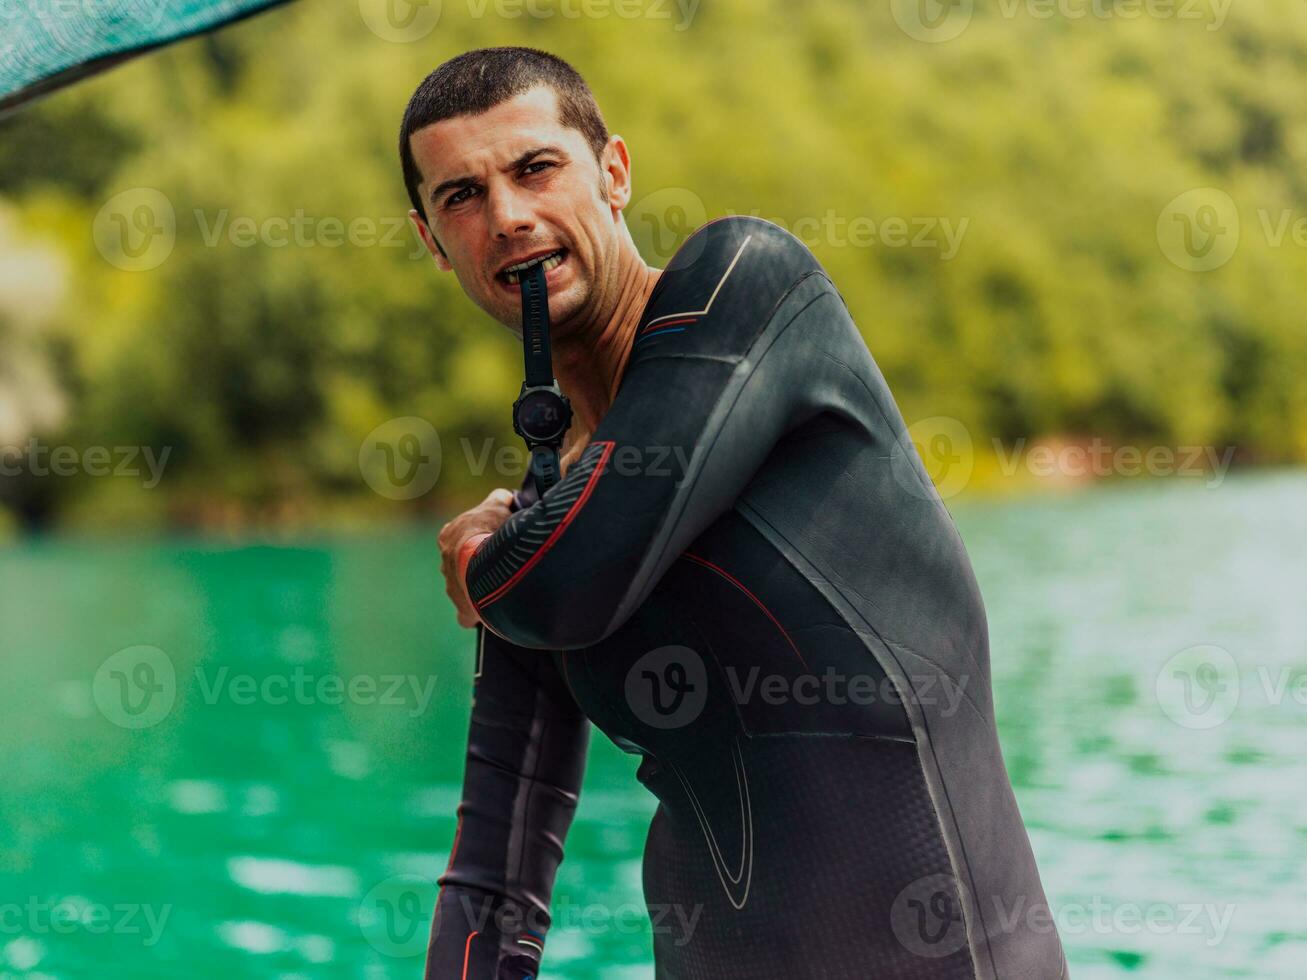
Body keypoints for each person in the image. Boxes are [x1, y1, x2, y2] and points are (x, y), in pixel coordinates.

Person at [401, 46, 1068, 980]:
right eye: (460, 197)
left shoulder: (747, 289)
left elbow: (560, 585)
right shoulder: (543, 531)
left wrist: (479, 561)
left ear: (615, 173)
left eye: (534, 168)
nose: (507, 217)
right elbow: (493, 881)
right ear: (433, 242)